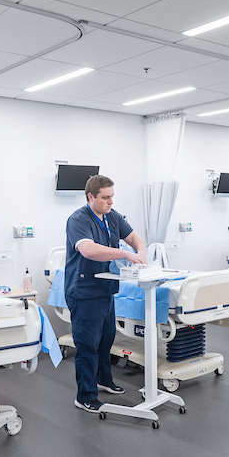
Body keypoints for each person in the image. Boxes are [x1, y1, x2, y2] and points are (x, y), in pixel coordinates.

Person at [64, 175, 147, 413]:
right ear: (91, 197)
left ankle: (104, 380)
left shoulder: (112, 217)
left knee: (106, 340)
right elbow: (88, 250)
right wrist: (125, 254)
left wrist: (140, 252)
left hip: (106, 290)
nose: (111, 201)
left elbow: (133, 237)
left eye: (112, 196)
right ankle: (85, 396)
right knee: (88, 345)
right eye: (105, 197)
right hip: (84, 292)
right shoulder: (78, 220)